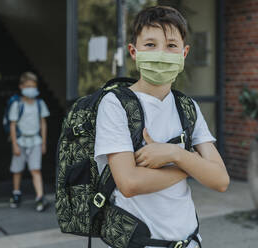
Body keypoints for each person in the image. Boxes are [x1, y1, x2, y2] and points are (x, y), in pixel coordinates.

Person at [94, 6, 230, 248]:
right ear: (133, 52)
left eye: (170, 45)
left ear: (184, 52)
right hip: (142, 243)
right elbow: (130, 183)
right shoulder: (116, 104)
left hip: (189, 240)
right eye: (150, 44)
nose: (160, 53)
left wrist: (174, 154)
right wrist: (193, 165)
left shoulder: (187, 107)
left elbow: (220, 180)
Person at [9, 72, 50, 212]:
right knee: (17, 169)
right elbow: (12, 125)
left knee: (36, 169)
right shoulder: (17, 104)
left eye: (33, 86)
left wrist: (44, 142)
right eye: (27, 86)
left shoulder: (40, 104)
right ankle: (16, 193)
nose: (30, 89)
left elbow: (43, 123)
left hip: (35, 141)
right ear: (21, 87)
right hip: (20, 141)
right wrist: (14, 144)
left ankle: (40, 196)